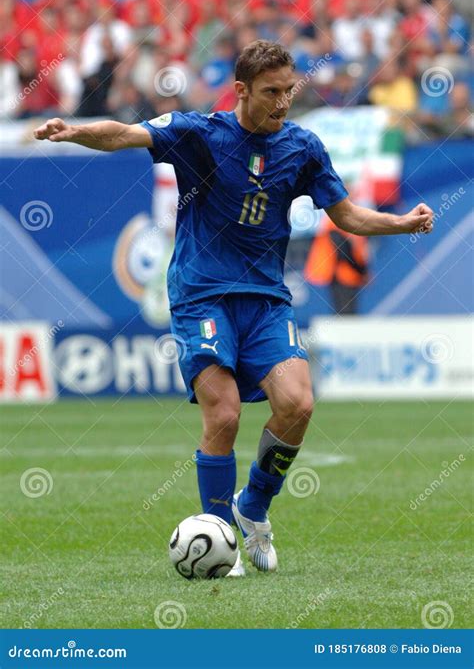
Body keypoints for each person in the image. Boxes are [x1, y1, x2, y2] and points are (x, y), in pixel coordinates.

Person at [34, 40, 434, 576]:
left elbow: (347, 214)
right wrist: (75, 131)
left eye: (290, 90)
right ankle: (217, 535)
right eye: (272, 92)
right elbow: (129, 134)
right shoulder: (201, 133)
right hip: (201, 292)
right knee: (222, 413)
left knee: (298, 404)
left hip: (266, 299)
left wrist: (401, 222)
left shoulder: (303, 147)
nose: (283, 102)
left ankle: (253, 510)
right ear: (242, 91)